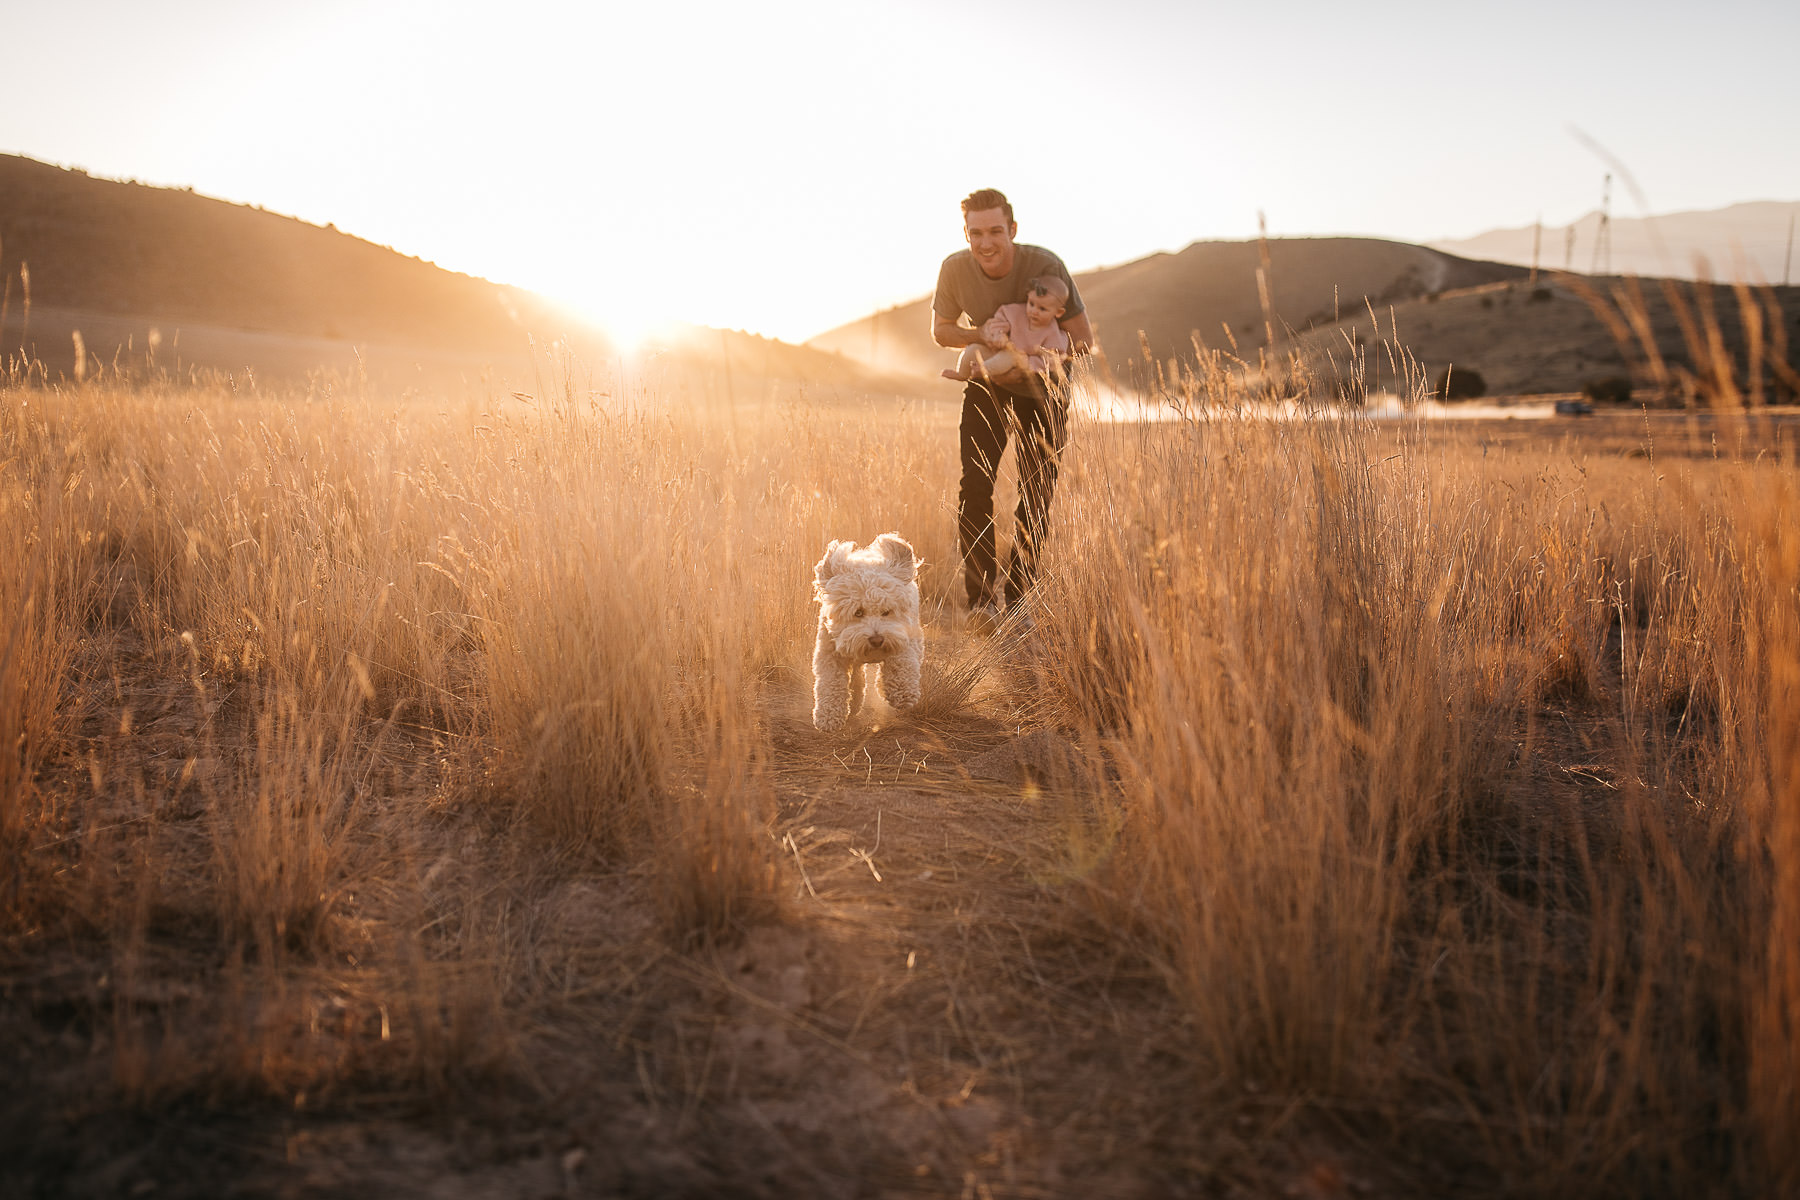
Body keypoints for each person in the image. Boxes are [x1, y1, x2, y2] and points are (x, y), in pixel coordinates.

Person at [931, 188, 1092, 631]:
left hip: (1045, 389)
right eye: (975, 233)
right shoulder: (954, 269)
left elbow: (1083, 340)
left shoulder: (1044, 265)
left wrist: (1032, 348)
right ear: (965, 233)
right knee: (975, 485)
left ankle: (1020, 602)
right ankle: (982, 603)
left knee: (1036, 493)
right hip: (987, 384)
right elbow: (942, 331)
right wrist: (981, 333)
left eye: (995, 231)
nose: (985, 242)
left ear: (1012, 230)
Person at [941, 275, 1071, 382]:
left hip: (1018, 363)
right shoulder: (1016, 312)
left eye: (1042, 309)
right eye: (1031, 304)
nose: (1034, 311)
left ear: (1058, 312)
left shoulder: (1053, 333)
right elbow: (1000, 320)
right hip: (997, 350)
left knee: (1010, 357)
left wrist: (1028, 362)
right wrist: (999, 334)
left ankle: (982, 371)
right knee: (973, 349)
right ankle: (962, 373)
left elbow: (1053, 359)